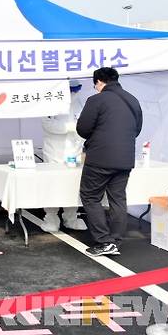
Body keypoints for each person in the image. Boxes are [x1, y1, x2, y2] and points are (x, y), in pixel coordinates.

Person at [77, 67, 142, 257]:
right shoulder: (132, 100)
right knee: (118, 199)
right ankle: (115, 241)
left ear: (98, 82)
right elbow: (136, 129)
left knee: (90, 196)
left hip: (100, 157)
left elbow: (83, 128)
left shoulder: (96, 100)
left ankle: (104, 241)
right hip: (125, 158)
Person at [40, 79, 87, 232]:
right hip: (54, 151)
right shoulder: (49, 102)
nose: (73, 93)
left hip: (74, 151)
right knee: (53, 184)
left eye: (76, 90)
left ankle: (71, 217)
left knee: (73, 185)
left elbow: (85, 123)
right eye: (71, 90)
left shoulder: (81, 102)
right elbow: (47, 124)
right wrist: (70, 127)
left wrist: (79, 133)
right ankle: (51, 218)